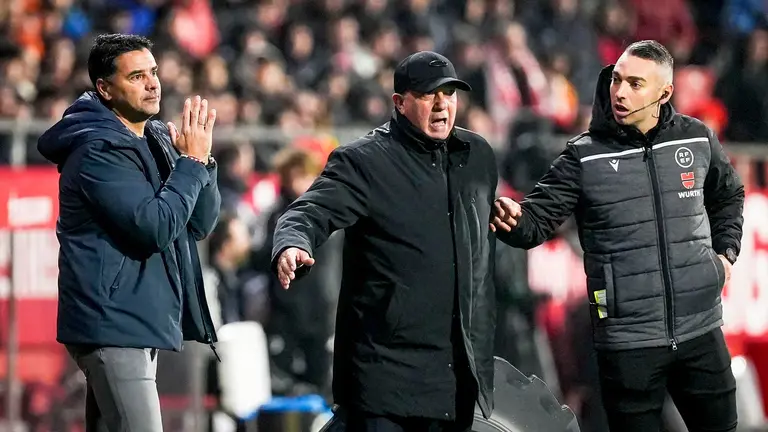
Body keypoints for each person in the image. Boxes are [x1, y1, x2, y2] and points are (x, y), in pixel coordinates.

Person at [491, 40, 744, 432]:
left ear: (665, 93)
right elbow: (536, 222)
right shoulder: (583, 156)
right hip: (628, 343)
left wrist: (726, 253)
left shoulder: (696, 139)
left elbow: (729, 194)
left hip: (701, 331)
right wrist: (514, 220)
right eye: (617, 81)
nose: (620, 92)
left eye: (635, 84)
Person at [272, 51, 499, 431]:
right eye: (429, 95)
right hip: (385, 379)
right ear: (400, 102)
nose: (443, 104)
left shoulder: (477, 156)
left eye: (450, 94)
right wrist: (294, 241)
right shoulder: (365, 161)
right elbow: (309, 210)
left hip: (455, 376)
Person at [37, 33, 221, 432]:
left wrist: (202, 161)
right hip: (112, 323)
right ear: (104, 88)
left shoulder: (153, 137)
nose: (153, 83)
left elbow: (198, 224)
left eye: (153, 72)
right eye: (137, 76)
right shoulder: (97, 150)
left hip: (135, 321)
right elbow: (154, 227)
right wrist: (189, 163)